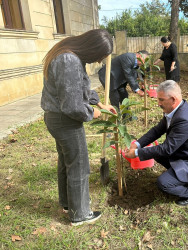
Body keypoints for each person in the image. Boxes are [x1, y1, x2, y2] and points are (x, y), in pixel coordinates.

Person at [41, 29, 116, 226]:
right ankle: (80, 214)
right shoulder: (69, 61)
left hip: (56, 118)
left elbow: (80, 88)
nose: (98, 61)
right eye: (99, 57)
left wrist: (99, 104)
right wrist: (93, 113)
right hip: (65, 120)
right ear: (92, 48)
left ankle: (68, 203)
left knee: (67, 161)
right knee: (79, 165)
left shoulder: (70, 55)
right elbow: (72, 106)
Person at [125, 80, 188, 206]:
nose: (158, 103)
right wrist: (138, 144)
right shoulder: (174, 111)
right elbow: (157, 130)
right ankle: (180, 177)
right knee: (155, 153)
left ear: (173, 99)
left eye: (161, 100)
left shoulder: (184, 119)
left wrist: (137, 153)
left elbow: (167, 149)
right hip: (185, 154)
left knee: (164, 183)